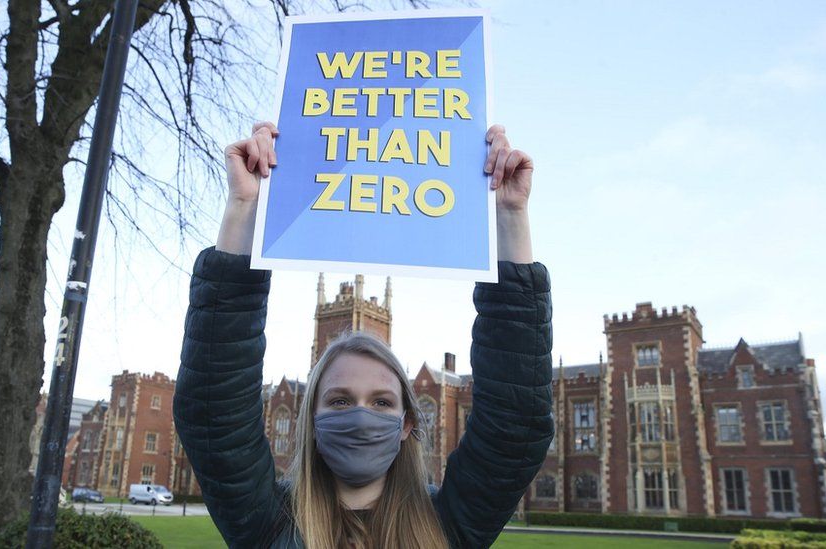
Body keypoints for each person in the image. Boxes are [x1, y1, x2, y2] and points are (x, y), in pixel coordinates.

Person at [174, 121, 554, 549]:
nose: (360, 416)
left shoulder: (446, 526)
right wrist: (245, 207)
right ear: (311, 421)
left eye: (382, 402)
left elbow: (514, 424)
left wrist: (508, 217)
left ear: (408, 421)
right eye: (339, 401)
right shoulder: (269, 522)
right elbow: (213, 409)